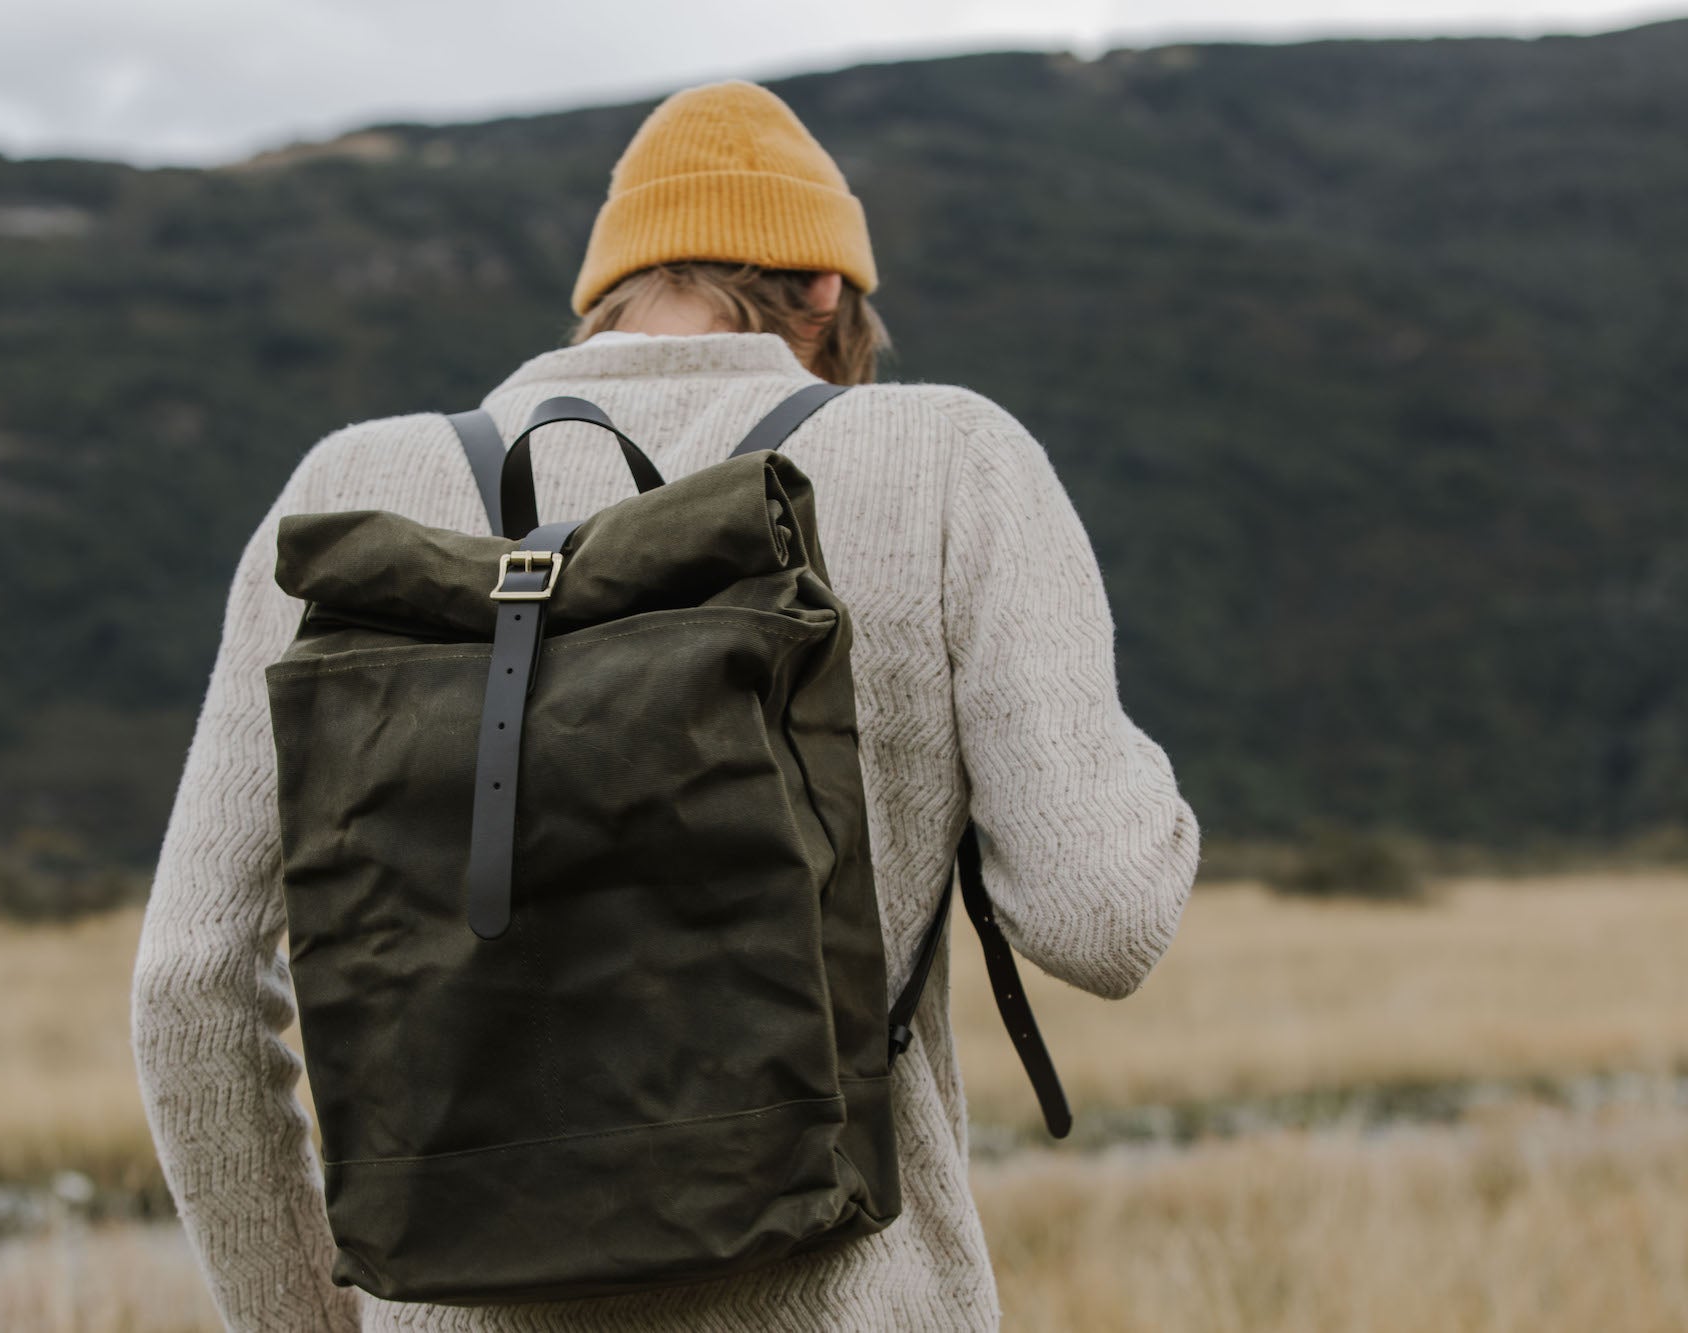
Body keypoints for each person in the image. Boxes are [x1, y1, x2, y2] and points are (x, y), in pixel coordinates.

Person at [131, 78, 1199, 1332]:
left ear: (608, 295)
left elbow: (189, 988)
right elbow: (1098, 917)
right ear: (824, 291)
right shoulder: (947, 457)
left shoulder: (350, 490)